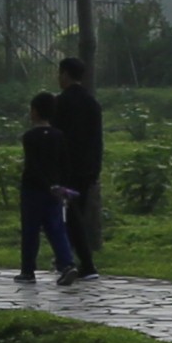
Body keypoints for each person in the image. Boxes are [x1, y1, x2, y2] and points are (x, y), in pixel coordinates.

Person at [51, 54, 109, 283]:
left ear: (65, 74)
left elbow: (58, 137)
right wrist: (95, 167)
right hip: (88, 167)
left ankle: (85, 263)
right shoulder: (92, 103)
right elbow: (97, 139)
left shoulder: (61, 102)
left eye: (60, 73)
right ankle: (68, 259)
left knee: (72, 215)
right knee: (77, 212)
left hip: (68, 168)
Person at [11, 89, 73, 286]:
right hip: (55, 190)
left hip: (33, 189)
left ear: (35, 111)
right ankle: (67, 264)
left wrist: (44, 183)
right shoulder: (59, 135)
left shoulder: (30, 137)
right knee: (56, 229)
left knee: (30, 230)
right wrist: (60, 186)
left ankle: (28, 270)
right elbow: (64, 163)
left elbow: (32, 165)